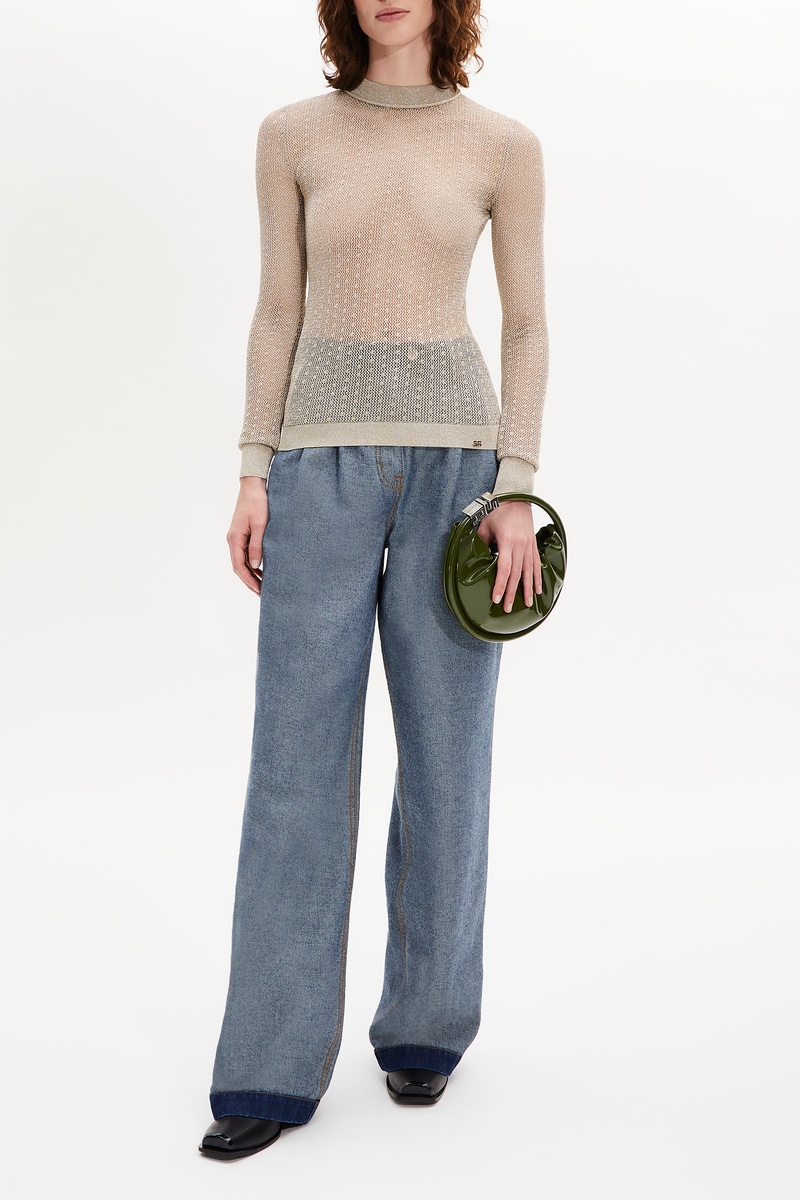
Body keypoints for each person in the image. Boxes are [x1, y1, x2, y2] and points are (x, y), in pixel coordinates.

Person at [199, 0, 549, 1160]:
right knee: (293, 761)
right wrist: (253, 470)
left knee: (447, 754)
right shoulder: (292, 134)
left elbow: (526, 327)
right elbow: (277, 309)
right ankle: (266, 1065)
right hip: (318, 469)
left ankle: (425, 1028)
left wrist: (514, 485)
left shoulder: (500, 146)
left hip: (460, 474)